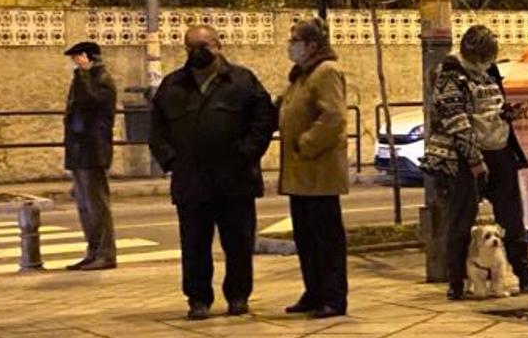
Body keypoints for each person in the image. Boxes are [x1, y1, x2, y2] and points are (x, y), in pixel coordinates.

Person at [149, 25, 276, 320]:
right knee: (194, 245)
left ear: (218, 45)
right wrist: (172, 161)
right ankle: (198, 299)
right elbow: (157, 130)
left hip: (235, 180)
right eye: (190, 46)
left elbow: (263, 121)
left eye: (203, 45)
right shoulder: (173, 85)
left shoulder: (242, 81)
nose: (197, 51)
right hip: (191, 182)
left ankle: (238, 296)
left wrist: (247, 154)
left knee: (238, 244)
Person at [421, 24, 528, 301]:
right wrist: (474, 159)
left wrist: (505, 112)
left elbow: (492, 105)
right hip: (465, 158)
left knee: (512, 218)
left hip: (500, 149)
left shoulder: (489, 72)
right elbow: (456, 121)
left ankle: (525, 275)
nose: (486, 63)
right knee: (461, 220)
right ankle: (457, 281)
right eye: (483, 57)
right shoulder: (449, 76)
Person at [278, 18, 350, 319]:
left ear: (312, 45)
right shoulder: (301, 76)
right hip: (299, 172)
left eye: (295, 40)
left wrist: (306, 143)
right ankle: (314, 291)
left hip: (318, 170)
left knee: (325, 238)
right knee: (306, 237)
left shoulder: (326, 72)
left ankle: (333, 296)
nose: (290, 45)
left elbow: (333, 116)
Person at [62, 41, 118, 271]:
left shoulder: (101, 80)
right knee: (85, 206)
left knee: (97, 205)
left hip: (93, 149)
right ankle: (93, 251)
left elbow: (90, 103)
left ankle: (105, 253)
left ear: (88, 57)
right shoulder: (83, 79)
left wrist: (84, 74)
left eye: (78, 57)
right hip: (80, 149)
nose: (75, 62)